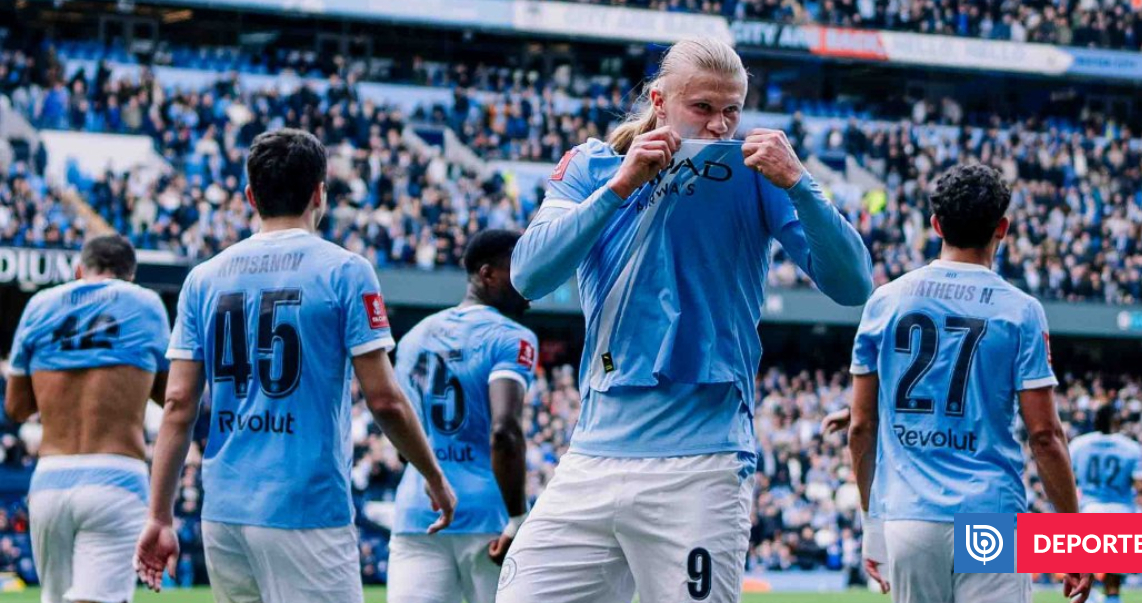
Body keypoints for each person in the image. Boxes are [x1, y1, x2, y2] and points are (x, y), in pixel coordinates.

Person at [500, 37, 873, 602]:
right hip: (592, 457)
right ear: (659, 99)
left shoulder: (759, 176)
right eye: (703, 108)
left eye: (732, 110)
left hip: (702, 464)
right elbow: (527, 276)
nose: (721, 125)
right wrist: (620, 185)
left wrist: (800, 183)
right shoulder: (592, 165)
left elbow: (852, 286)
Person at [133, 128, 456, 603]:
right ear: (319, 193)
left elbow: (178, 404)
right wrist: (433, 475)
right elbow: (385, 399)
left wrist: (158, 516)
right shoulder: (346, 270)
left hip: (224, 511)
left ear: (250, 196)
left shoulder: (203, 278)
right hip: (307, 507)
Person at [847, 163, 1093, 603]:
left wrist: (873, 524)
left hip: (909, 515)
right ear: (1003, 227)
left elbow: (861, 428)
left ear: (936, 224)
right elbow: (1044, 434)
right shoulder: (1021, 310)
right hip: (990, 515)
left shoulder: (884, 302)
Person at [5, 235, 169, 603]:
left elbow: (16, 408)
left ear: (80, 270)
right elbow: (170, 394)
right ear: (131, 275)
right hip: (116, 478)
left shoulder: (39, 305)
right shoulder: (145, 303)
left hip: (50, 479)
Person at [388, 229, 537, 603]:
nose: (528, 280)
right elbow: (504, 432)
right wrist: (518, 519)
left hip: (417, 515)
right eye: (516, 269)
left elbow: (404, 445)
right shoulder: (512, 337)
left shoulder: (413, 339)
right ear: (486, 274)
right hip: (490, 518)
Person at [1070, 404, 1142, 603]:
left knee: (1085, 574)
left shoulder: (1079, 445)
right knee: (1113, 580)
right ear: (1116, 421)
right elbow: (1141, 488)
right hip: (1120, 512)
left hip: (1089, 510)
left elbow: (1067, 480)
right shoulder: (1130, 447)